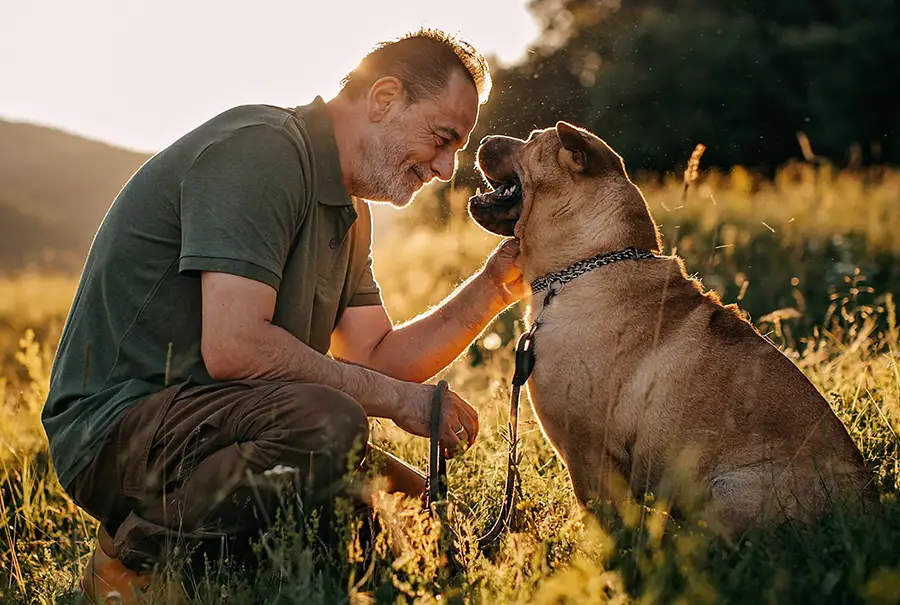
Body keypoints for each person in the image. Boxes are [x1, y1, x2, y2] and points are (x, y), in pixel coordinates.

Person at [41, 28, 525, 603]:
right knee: (328, 424)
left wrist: (495, 287)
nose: (448, 168)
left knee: (436, 532)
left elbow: (375, 357)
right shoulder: (263, 151)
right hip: (117, 431)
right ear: (384, 98)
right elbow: (236, 347)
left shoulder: (350, 211)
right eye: (443, 138)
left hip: (228, 424)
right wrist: (400, 403)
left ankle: (235, 552)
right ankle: (135, 563)